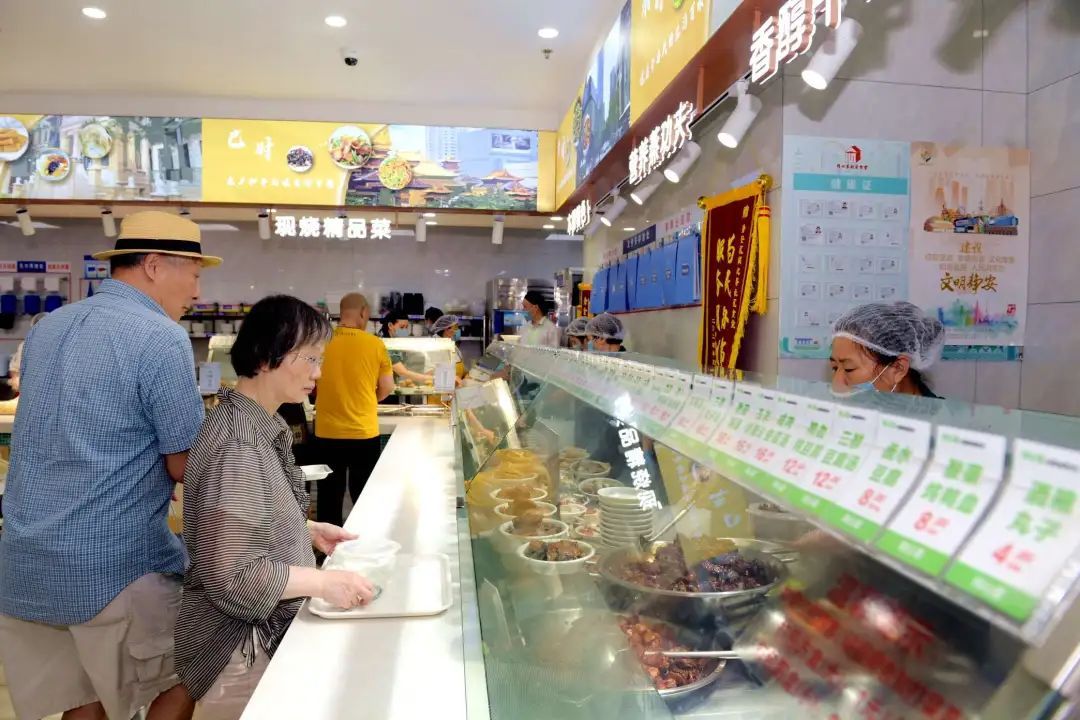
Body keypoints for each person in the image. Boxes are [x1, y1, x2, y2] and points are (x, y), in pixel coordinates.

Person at [0, 210, 220, 720]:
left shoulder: (50, 327)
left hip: (26, 561)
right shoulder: (160, 336)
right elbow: (185, 463)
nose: (196, 290)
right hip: (112, 567)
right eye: (193, 273)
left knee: (83, 700)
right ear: (153, 265)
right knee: (190, 671)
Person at [176, 295, 374, 719]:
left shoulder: (252, 422)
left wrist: (303, 531)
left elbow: (238, 520)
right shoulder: (240, 445)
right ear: (268, 356)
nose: (318, 373)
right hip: (238, 651)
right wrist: (323, 583)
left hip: (252, 642)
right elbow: (234, 575)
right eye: (311, 359)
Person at [315, 293, 395, 525]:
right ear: (363, 312)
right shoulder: (375, 344)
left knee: (329, 496)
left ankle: (327, 543)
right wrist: (368, 400)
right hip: (363, 432)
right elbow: (387, 387)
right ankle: (364, 542)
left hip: (327, 432)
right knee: (364, 496)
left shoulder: (321, 342)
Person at [829, 301, 945, 398]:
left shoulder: (943, 418)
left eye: (849, 369)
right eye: (834, 368)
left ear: (898, 368)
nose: (836, 384)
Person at [379, 308, 434, 386]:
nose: (404, 331)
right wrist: (430, 378)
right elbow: (402, 372)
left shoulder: (395, 345)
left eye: (406, 327)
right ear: (390, 325)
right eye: (402, 327)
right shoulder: (386, 345)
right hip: (382, 387)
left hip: (391, 386)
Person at [7, 312, 47, 393]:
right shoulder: (26, 345)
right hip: (30, 390)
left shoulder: (62, 346)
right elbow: (15, 369)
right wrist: (16, 379)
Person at [431, 313, 467, 382]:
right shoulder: (436, 346)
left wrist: (465, 374)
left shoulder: (451, 343)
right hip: (444, 385)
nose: (457, 330)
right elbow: (434, 372)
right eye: (455, 327)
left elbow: (458, 362)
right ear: (446, 329)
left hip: (456, 384)